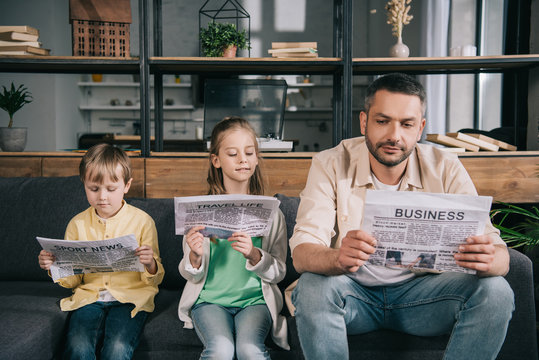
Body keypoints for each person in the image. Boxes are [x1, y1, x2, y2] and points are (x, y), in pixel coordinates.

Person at [288, 73, 514, 360]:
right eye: (382, 121)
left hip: (425, 297)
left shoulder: (446, 166)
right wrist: (337, 259)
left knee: (496, 291)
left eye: (406, 124)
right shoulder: (330, 163)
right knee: (311, 286)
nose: (394, 135)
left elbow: (501, 254)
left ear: (419, 128)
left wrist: (487, 259)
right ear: (364, 122)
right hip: (354, 294)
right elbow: (302, 252)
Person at [38, 143, 164, 360]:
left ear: (126, 185)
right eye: (94, 189)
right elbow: (74, 282)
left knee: (117, 348)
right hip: (89, 298)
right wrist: (54, 267)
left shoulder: (143, 221)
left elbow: (154, 280)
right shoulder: (77, 224)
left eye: (111, 189)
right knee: (77, 346)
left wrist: (150, 263)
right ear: (84, 185)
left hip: (131, 298)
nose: (102, 197)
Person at [178, 116, 289, 359]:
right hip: (209, 302)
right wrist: (195, 256)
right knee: (220, 349)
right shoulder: (199, 211)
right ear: (216, 160)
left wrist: (255, 254)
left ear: (257, 158)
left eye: (249, 152)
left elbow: (279, 272)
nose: (243, 159)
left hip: (255, 302)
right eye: (233, 153)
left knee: (250, 350)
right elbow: (188, 273)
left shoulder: (273, 213)